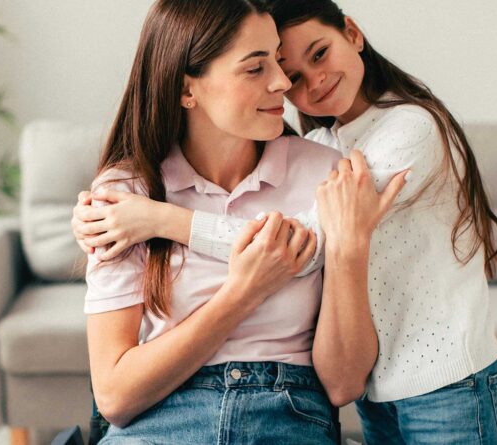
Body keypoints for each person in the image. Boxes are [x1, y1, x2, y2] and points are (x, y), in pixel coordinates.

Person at [81, 0, 406, 443]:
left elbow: (344, 385)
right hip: (161, 419)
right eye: (255, 69)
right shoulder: (127, 194)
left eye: (276, 59)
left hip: (288, 415)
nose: (281, 82)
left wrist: (350, 247)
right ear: (186, 89)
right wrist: (242, 293)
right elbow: (115, 398)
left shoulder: (329, 174)